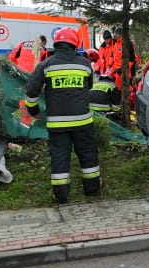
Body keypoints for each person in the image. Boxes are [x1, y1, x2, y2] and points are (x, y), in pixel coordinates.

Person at [24, 27, 101, 204]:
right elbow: (88, 86)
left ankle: (61, 195)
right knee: (88, 153)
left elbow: (31, 90)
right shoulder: (84, 64)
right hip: (83, 121)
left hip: (57, 124)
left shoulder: (46, 65)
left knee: (59, 156)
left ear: (56, 44)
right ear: (75, 45)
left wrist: (33, 110)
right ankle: (92, 188)